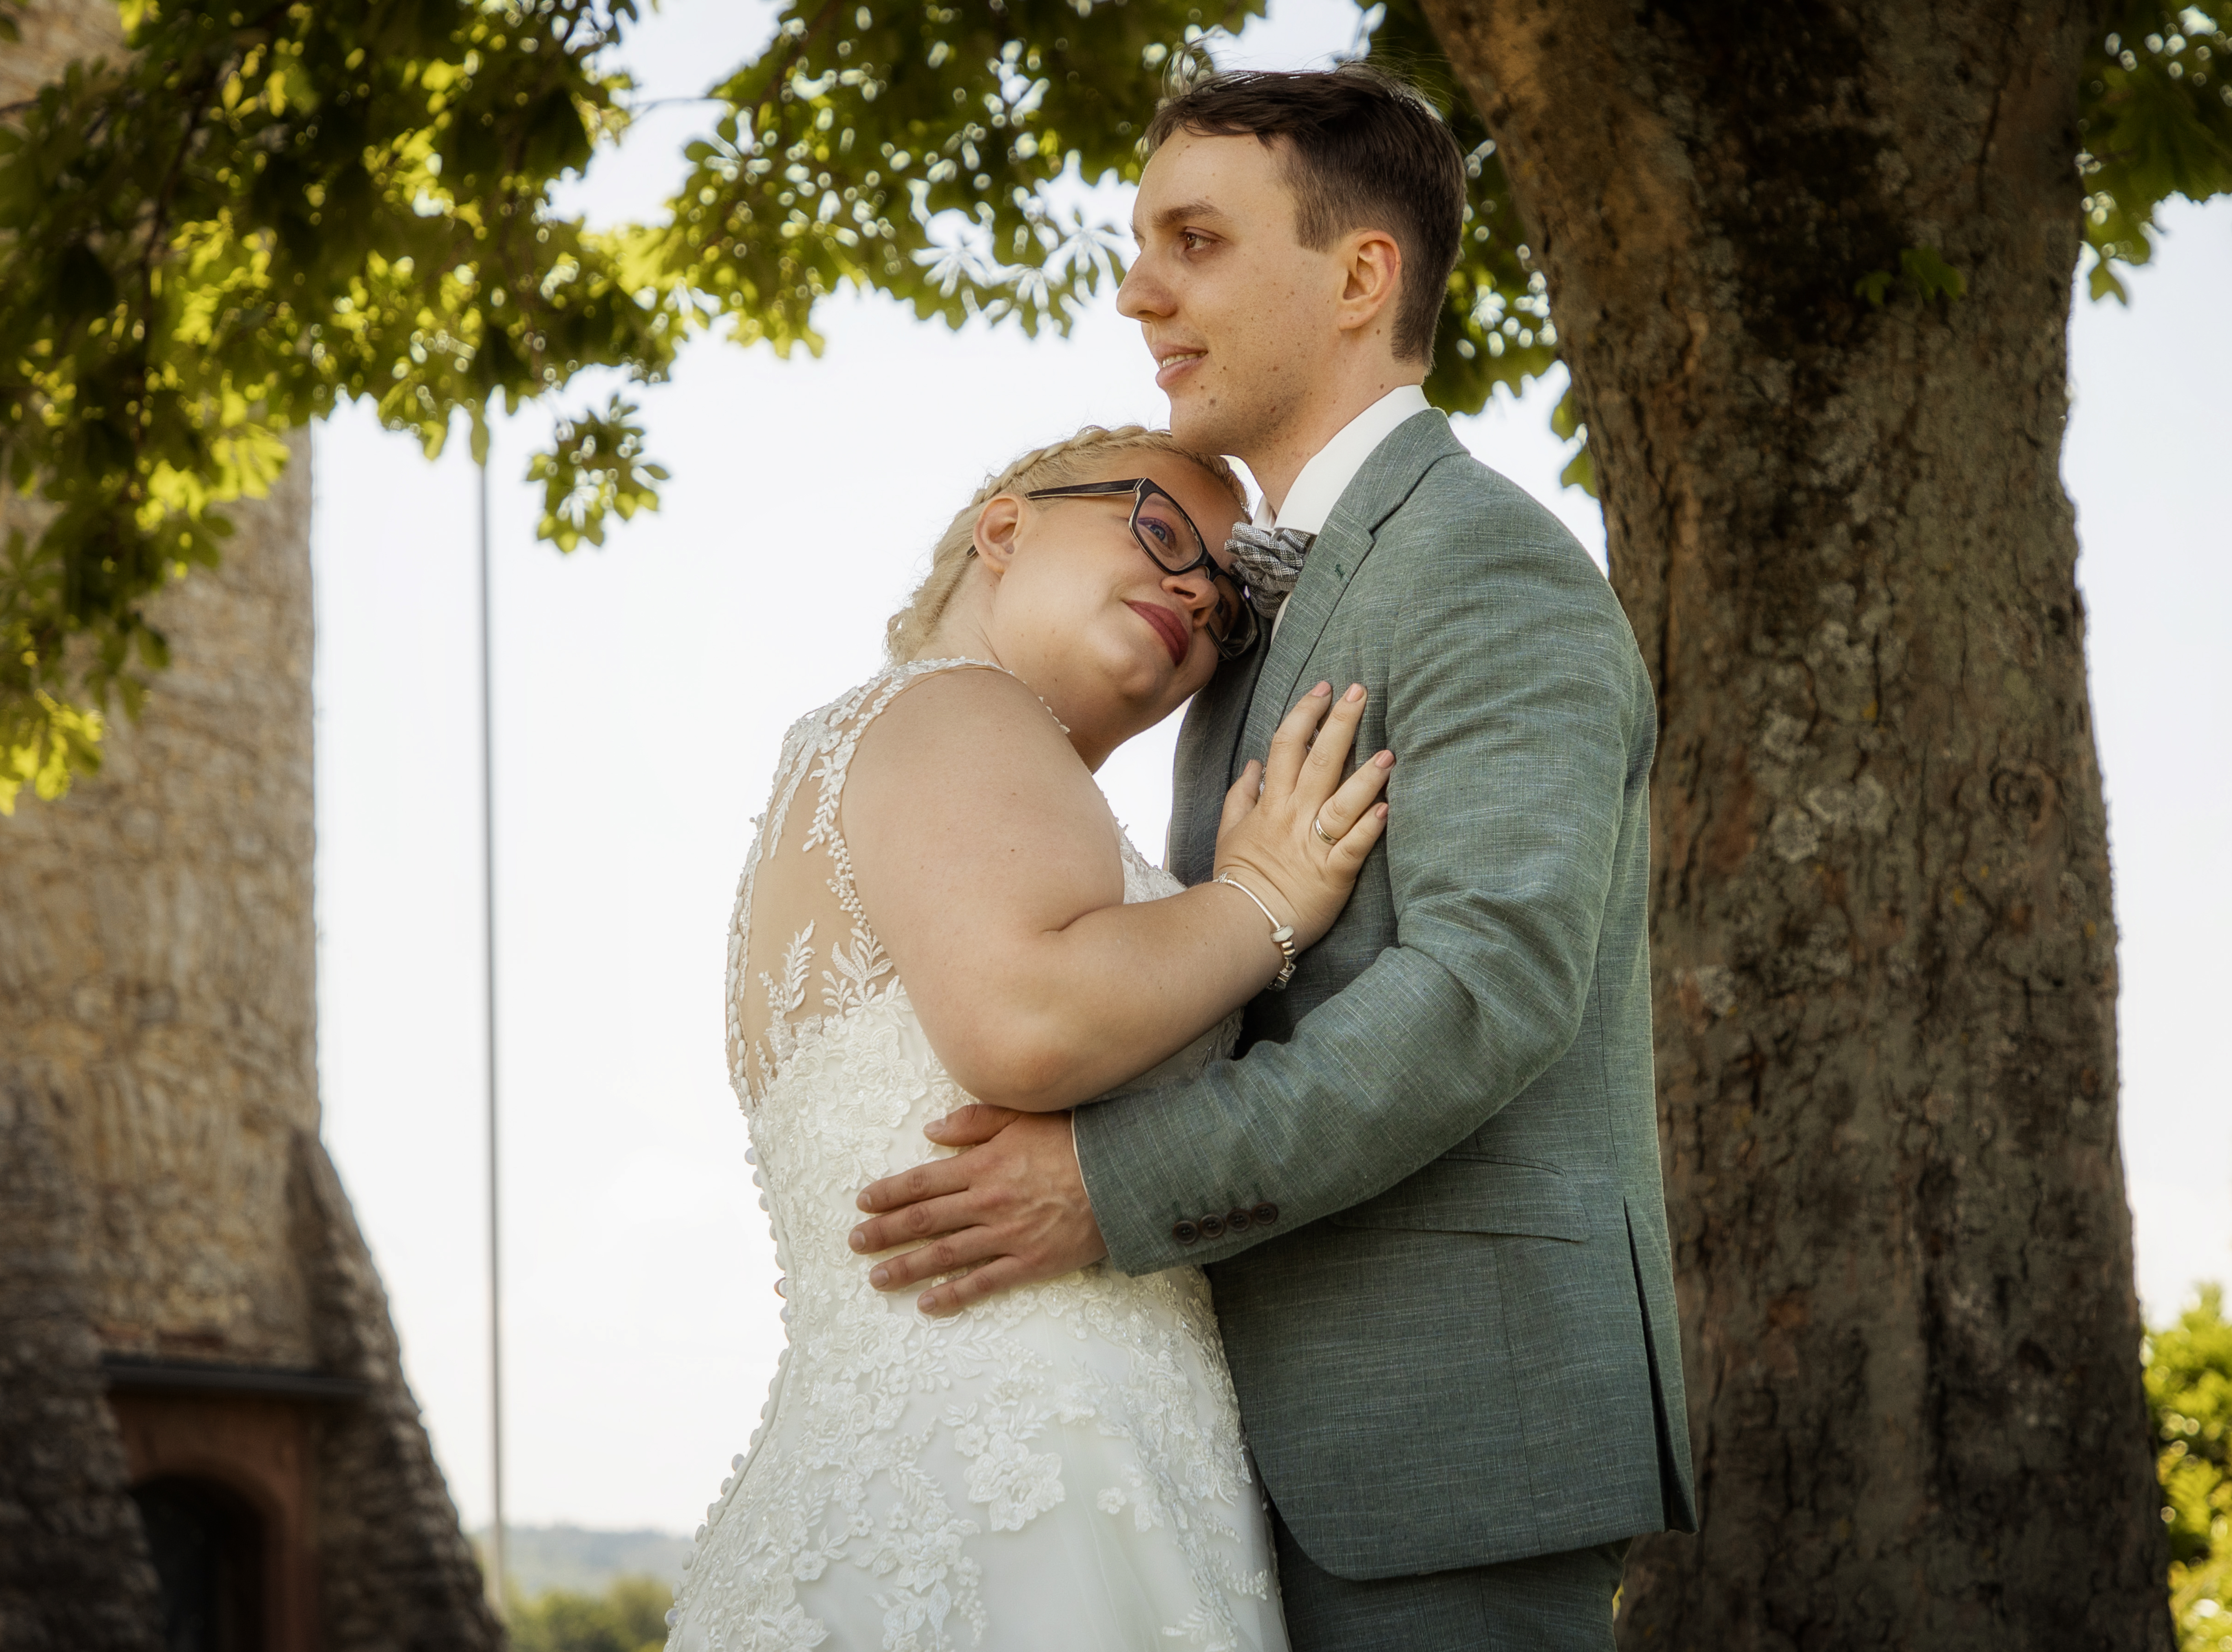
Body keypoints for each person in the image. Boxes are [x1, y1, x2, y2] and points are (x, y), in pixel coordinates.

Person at [848, 65, 1698, 1650]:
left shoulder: (1489, 564)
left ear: (1362, 274)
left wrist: (1112, 1187)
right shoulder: (1243, 625)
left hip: (1444, 1443)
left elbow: (1488, 986)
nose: (1138, 289)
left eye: (1196, 241)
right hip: (1234, 1451)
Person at [664, 424, 1395, 1652]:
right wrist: (1262, 902)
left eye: (1228, 610)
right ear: (1005, 527)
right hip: (1020, 1481)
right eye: (1161, 532)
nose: (1195, 597)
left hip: (926, 1455)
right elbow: (1026, 1019)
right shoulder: (963, 710)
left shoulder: (864, 751)